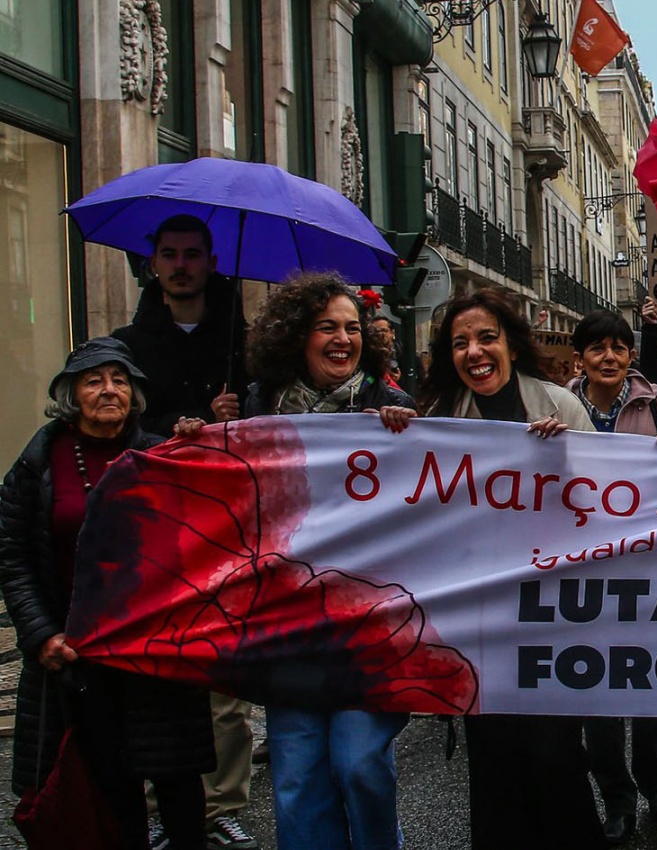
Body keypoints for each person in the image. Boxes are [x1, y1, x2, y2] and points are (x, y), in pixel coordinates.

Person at [176, 273, 414, 850]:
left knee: (359, 765)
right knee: (299, 779)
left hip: (369, 624)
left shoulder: (391, 406)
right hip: (288, 623)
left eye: (352, 328)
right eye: (326, 327)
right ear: (297, 336)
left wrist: (406, 436)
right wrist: (203, 437)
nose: (341, 338)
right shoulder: (257, 403)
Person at [404, 289, 603, 850]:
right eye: (461, 342)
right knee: (493, 752)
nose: (475, 351)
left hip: (552, 613)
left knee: (554, 749)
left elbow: (608, 498)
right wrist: (393, 430)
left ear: (511, 345)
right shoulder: (439, 418)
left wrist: (566, 456)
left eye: (486, 337)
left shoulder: (559, 405)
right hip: (480, 616)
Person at [0, 339, 216, 850]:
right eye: (95, 380)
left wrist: (201, 441)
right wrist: (40, 636)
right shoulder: (37, 464)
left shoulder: (163, 454)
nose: (109, 390)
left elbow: (202, 540)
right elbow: (14, 557)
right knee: (109, 787)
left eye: (120, 380)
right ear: (71, 393)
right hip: (77, 656)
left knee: (179, 782)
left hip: (157, 653)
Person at [109, 213, 259, 850]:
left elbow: (269, 422)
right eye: (168, 253)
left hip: (228, 520)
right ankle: (159, 795)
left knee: (222, 667)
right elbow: (117, 428)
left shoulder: (241, 342)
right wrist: (178, 426)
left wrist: (237, 410)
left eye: (191, 254)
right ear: (152, 264)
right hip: (157, 523)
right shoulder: (126, 345)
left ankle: (222, 800)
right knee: (157, 659)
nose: (180, 265)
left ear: (209, 262)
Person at [562, 308, 657, 842]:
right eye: (596, 348)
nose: (608, 357)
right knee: (597, 689)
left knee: (651, 681)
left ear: (631, 354)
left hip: (648, 566)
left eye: (617, 347)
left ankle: (654, 779)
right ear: (580, 358)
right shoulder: (559, 405)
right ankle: (616, 794)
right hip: (581, 570)